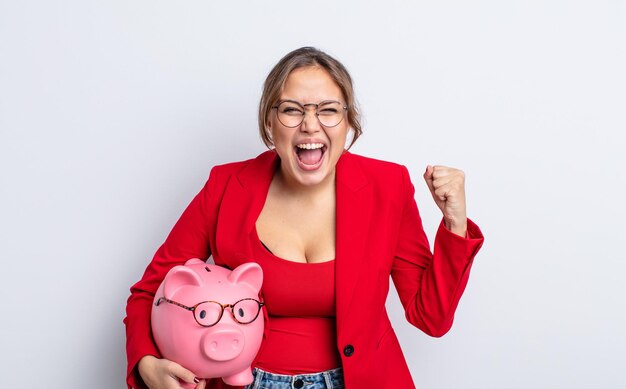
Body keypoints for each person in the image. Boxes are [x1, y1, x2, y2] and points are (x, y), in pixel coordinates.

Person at [124, 46, 484, 389]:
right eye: (292, 110)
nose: (310, 125)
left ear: (348, 123)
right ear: (270, 122)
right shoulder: (226, 186)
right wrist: (146, 363)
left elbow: (430, 317)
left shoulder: (387, 187)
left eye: (328, 110)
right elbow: (149, 290)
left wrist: (454, 224)